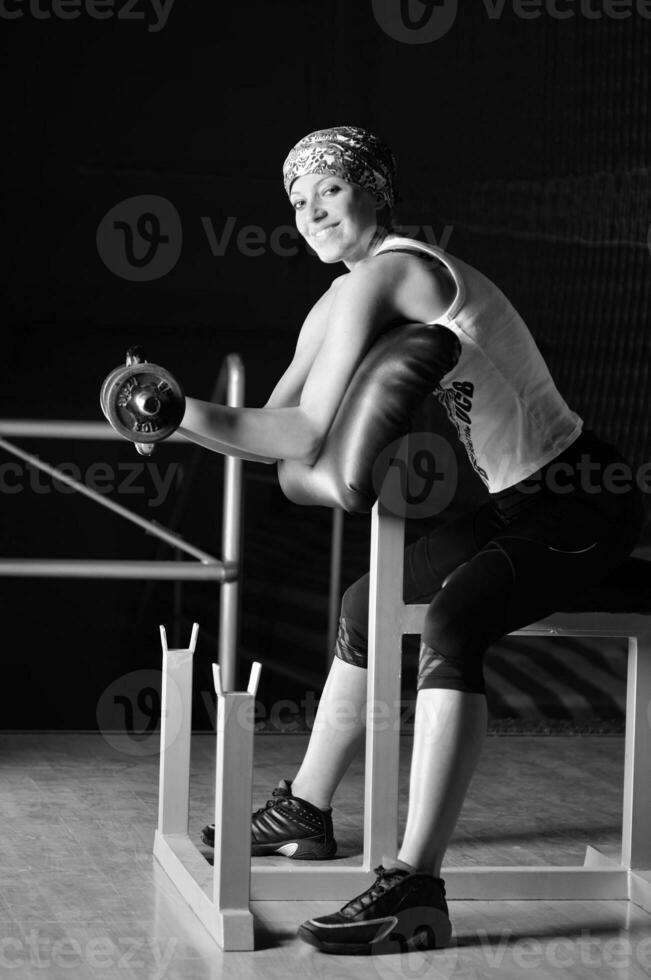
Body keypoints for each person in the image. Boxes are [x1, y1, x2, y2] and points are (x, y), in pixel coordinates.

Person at [183, 125, 645, 954]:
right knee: (369, 604)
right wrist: (174, 421)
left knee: (448, 625)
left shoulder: (394, 270)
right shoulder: (340, 296)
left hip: (581, 499)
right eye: (295, 200)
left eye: (329, 187)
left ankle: (414, 886)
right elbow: (273, 424)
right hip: (517, 503)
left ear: (375, 191)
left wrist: (181, 415)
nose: (311, 210)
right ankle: (306, 812)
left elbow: (299, 434)